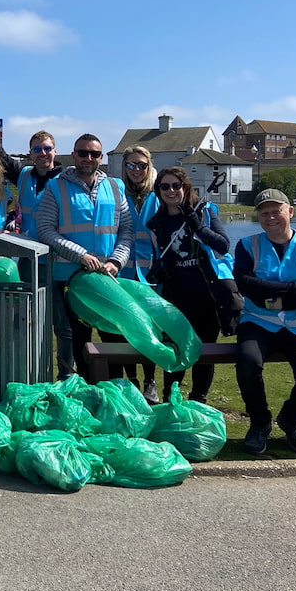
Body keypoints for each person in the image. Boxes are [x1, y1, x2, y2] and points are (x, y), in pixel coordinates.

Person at [0, 97, 74, 379]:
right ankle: (29, 372)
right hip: (28, 260)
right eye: (37, 149)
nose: (43, 153)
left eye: (47, 148)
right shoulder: (24, 176)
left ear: (55, 151)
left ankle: (66, 374)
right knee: (27, 318)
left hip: (59, 259)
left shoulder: (67, 179)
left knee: (63, 324)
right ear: (31, 153)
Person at [233, 188, 296, 456]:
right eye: (264, 213)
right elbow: (245, 285)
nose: (271, 217)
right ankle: (259, 422)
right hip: (257, 322)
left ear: (290, 211)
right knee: (248, 363)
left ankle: (291, 420)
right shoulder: (246, 245)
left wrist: (276, 298)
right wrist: (294, 288)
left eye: (276, 211)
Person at [34, 133, 133, 382]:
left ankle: (116, 391)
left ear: (101, 157)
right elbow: (45, 230)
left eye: (94, 154)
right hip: (70, 278)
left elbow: (126, 230)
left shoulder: (115, 186)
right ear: (74, 154)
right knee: (79, 338)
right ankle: (87, 390)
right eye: (83, 153)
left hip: (107, 278)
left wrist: (116, 261)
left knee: (114, 336)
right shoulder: (55, 187)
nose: (88, 158)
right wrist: (80, 255)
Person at [145, 166, 238, 404]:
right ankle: (171, 400)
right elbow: (161, 257)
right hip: (177, 297)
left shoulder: (204, 212)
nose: (171, 190)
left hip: (207, 294)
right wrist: (157, 272)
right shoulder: (156, 223)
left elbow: (223, 245)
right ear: (158, 191)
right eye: (165, 186)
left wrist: (199, 227)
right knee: (176, 349)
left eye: (176, 185)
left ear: (185, 187)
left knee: (205, 350)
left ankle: (198, 400)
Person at [120, 145, 162, 402]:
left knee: (150, 329)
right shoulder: (116, 193)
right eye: (131, 165)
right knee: (126, 326)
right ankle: (131, 380)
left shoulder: (159, 194)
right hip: (122, 269)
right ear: (124, 167)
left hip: (151, 272)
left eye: (142, 165)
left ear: (149, 167)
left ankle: (150, 380)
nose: (137, 170)